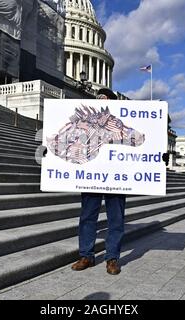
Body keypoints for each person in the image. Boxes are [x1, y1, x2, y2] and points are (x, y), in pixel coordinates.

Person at [71, 88, 126, 276]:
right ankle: (86, 255)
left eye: (105, 100)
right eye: (99, 100)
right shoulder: (88, 123)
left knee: (116, 219)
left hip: (116, 177)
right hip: (91, 175)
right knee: (87, 216)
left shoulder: (120, 124)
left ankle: (112, 258)